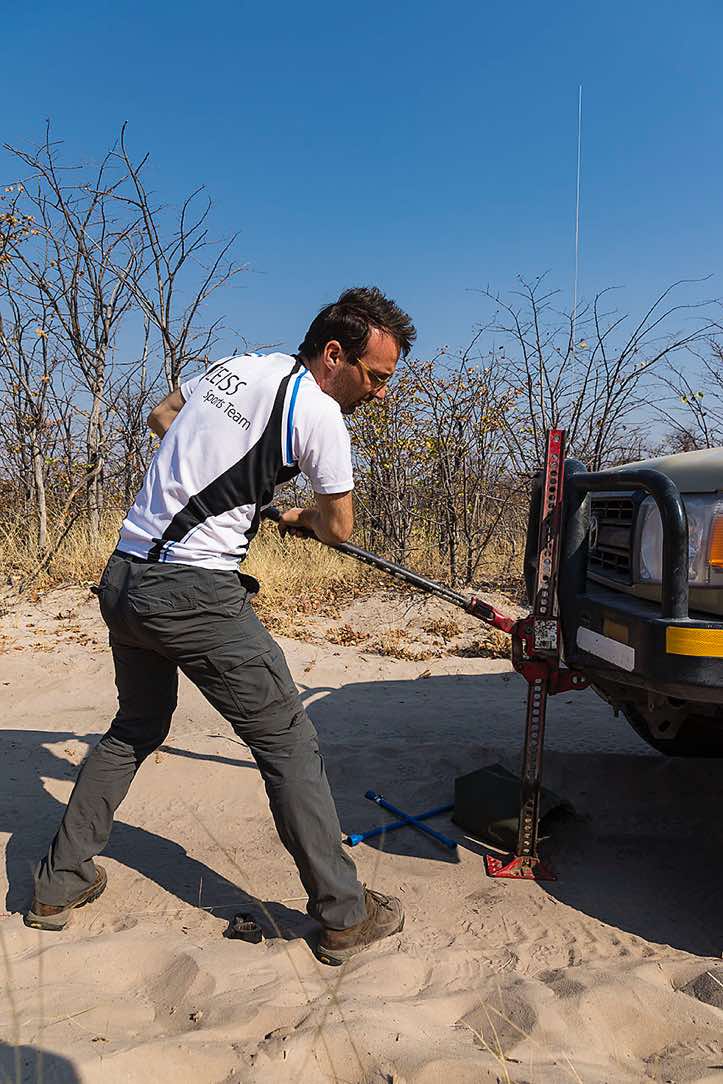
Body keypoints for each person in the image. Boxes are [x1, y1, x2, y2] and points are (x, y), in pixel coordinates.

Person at [25, 286, 417, 966]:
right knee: (290, 746)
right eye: (375, 377)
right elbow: (338, 526)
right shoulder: (319, 413)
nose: (379, 393)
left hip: (122, 580)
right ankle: (344, 915)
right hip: (192, 595)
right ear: (334, 355)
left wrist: (221, 475)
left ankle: (58, 885)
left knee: (135, 727)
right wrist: (292, 516)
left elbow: (161, 415)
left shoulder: (238, 367)